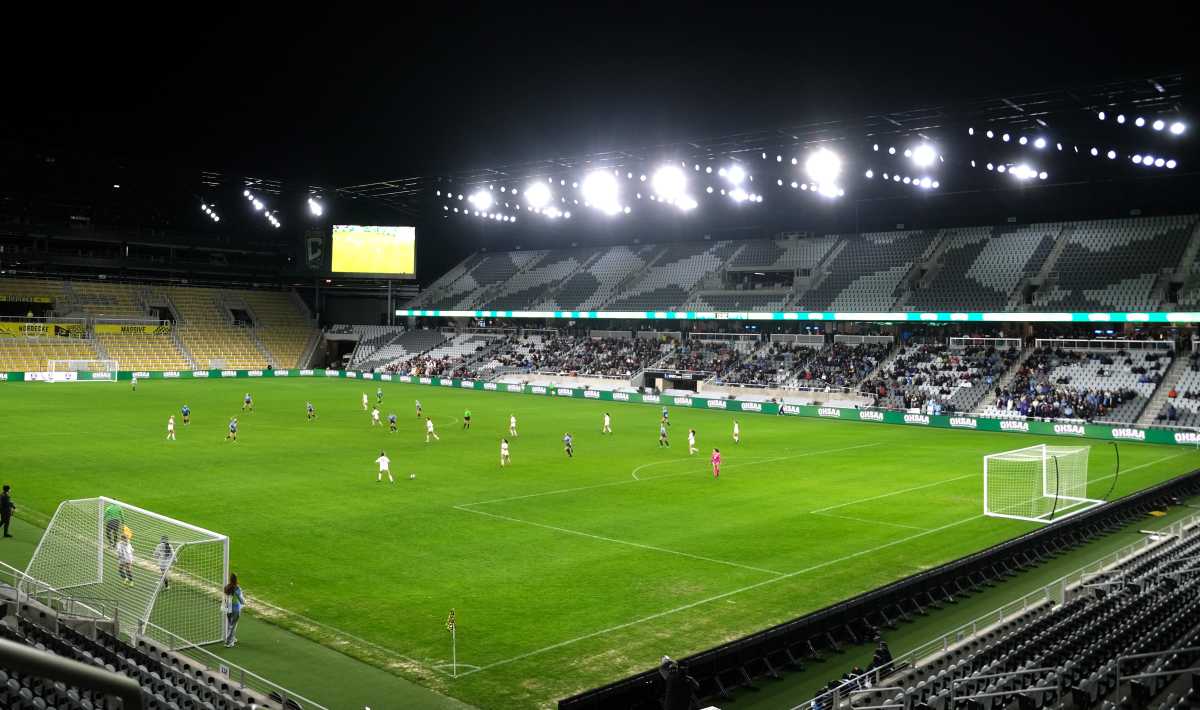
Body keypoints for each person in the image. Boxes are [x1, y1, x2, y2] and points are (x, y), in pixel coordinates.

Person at [224, 573, 245, 647]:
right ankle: (229, 642)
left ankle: (232, 637)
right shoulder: (237, 588)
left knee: (230, 624)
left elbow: (225, 598)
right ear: (236, 579)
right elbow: (241, 600)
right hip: (235, 608)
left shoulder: (226, 587)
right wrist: (243, 602)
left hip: (228, 608)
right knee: (233, 625)